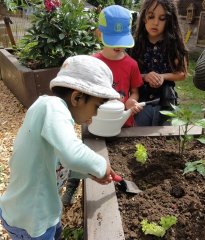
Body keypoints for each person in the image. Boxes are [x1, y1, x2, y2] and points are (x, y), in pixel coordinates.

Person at [0, 55, 120, 240]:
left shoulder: (57, 118)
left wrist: (89, 173)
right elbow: (71, 154)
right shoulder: (51, 106)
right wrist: (101, 165)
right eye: (96, 106)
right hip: (31, 221)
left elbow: (60, 165)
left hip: (45, 212)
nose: (94, 115)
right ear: (77, 97)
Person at [61, 5, 143, 206]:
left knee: (120, 156)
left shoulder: (131, 65)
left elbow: (135, 91)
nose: (118, 47)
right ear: (99, 34)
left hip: (121, 122)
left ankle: (119, 189)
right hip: (95, 122)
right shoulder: (92, 62)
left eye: (122, 42)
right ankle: (73, 184)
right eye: (112, 41)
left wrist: (132, 100)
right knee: (86, 156)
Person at [128, 0, 189, 126]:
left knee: (164, 140)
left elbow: (182, 73)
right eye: (151, 16)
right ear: (144, 17)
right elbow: (128, 74)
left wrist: (163, 76)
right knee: (137, 137)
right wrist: (145, 77)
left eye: (162, 18)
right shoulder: (135, 44)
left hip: (166, 104)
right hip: (140, 103)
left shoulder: (174, 44)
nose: (155, 22)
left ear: (169, 20)